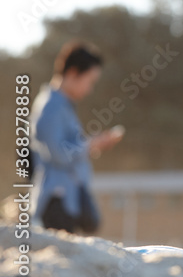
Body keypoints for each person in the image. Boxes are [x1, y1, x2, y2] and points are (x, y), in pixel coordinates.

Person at [30, 40, 123, 234]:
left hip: (66, 200)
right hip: (56, 202)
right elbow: (58, 154)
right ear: (73, 73)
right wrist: (92, 144)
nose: (90, 89)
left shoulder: (63, 105)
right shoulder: (51, 107)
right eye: (90, 81)